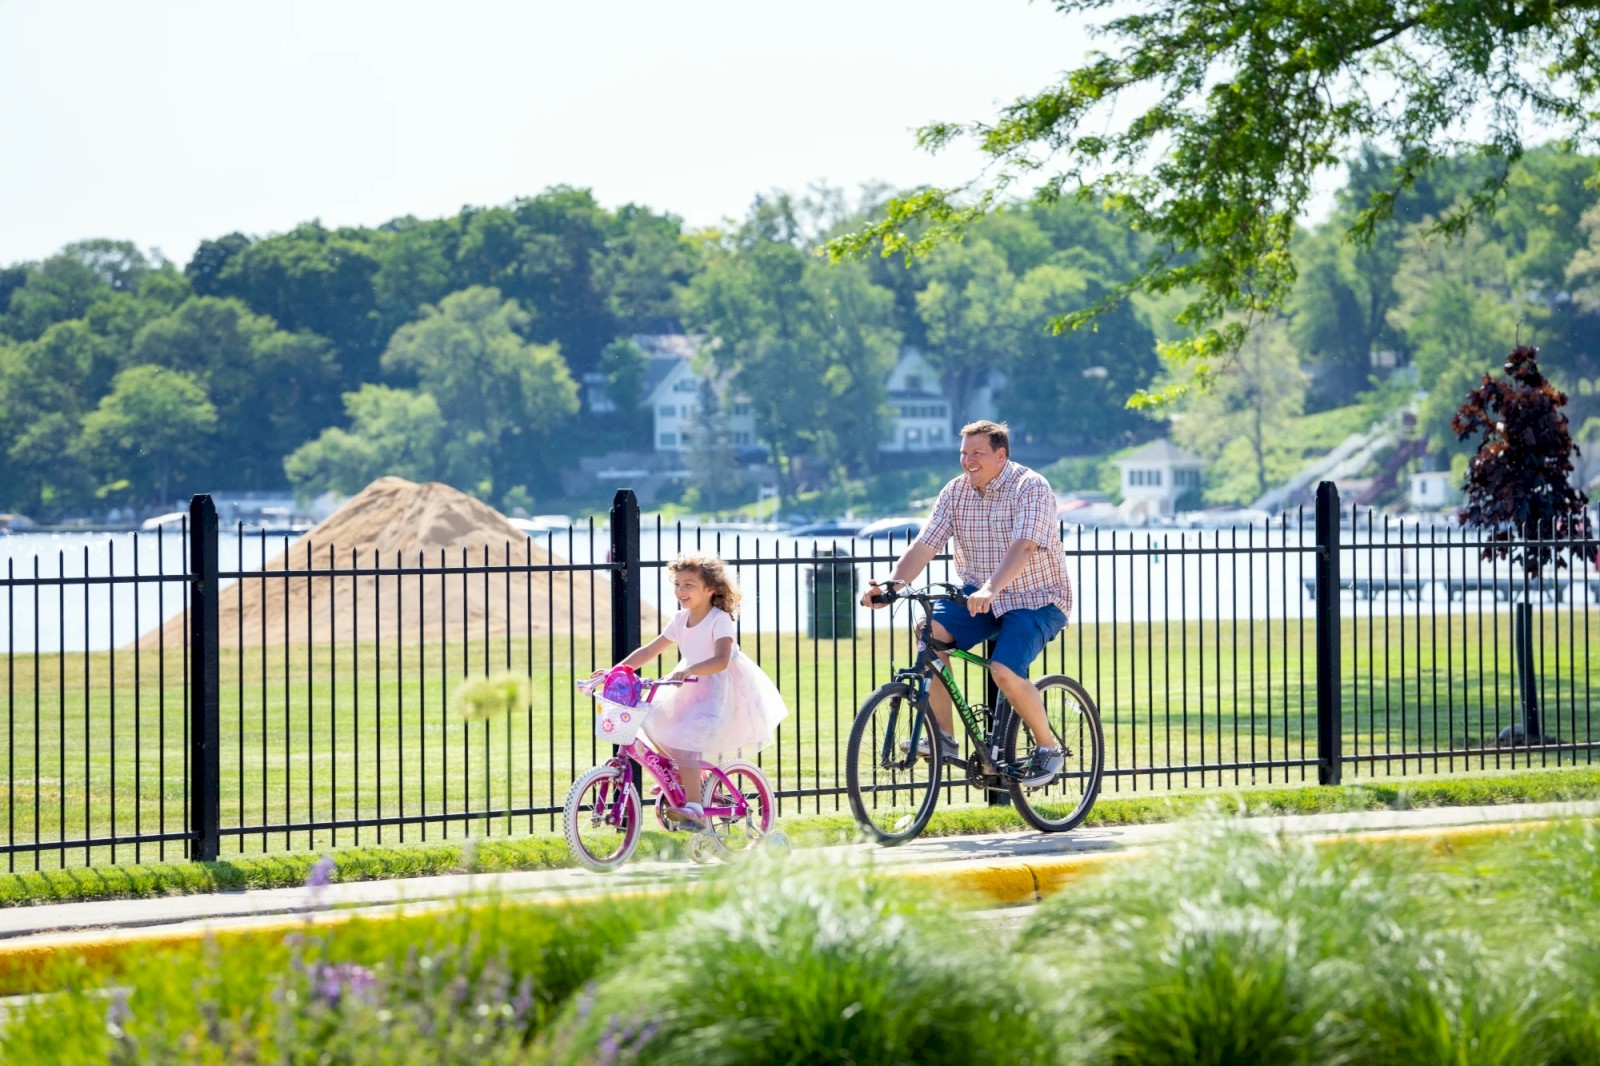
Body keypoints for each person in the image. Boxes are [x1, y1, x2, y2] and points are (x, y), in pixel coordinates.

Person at [860, 420, 1073, 787]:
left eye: (977, 453)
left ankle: (1048, 748)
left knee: (1004, 671)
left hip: (1038, 599)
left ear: (1000, 454)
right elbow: (925, 545)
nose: (968, 460)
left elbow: (1024, 546)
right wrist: (892, 587)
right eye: (964, 453)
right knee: (929, 632)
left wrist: (991, 588)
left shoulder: (1031, 487)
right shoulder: (955, 492)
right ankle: (944, 736)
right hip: (980, 596)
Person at [599, 552, 787, 825]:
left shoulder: (718, 619)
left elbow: (721, 661)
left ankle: (696, 808)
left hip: (717, 689)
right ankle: (685, 779)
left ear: (710, 589)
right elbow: (650, 649)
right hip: (688, 686)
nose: (680, 590)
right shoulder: (679, 619)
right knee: (653, 725)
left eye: (689, 585)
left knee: (686, 742)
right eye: (677, 584)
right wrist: (617, 670)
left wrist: (688, 669)